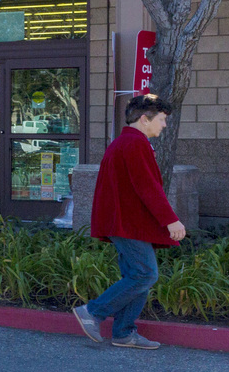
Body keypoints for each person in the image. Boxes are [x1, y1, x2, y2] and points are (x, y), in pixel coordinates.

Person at [74, 93, 186, 350]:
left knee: (137, 275)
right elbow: (148, 188)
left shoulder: (126, 142)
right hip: (128, 224)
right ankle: (92, 312)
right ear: (145, 120)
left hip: (125, 223)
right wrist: (171, 221)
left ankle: (124, 333)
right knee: (145, 274)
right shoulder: (135, 144)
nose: (165, 125)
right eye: (162, 119)